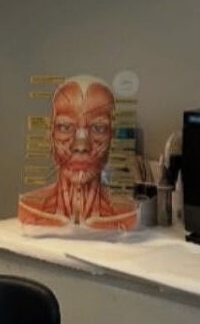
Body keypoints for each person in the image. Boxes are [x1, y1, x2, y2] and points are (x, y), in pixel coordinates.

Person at [18, 75, 137, 230]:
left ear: (112, 138)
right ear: (50, 134)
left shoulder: (124, 214)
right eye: (65, 127)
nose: (81, 146)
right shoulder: (31, 207)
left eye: (98, 128)